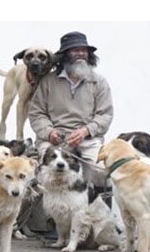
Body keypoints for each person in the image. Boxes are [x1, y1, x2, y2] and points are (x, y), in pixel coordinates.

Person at [28, 31, 114, 187]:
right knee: (48, 174)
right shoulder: (48, 82)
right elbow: (36, 113)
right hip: (54, 143)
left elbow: (105, 115)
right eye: (75, 50)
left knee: (103, 174)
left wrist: (85, 131)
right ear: (65, 54)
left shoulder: (99, 82)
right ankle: (51, 211)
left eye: (84, 50)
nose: (81, 54)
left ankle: (93, 209)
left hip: (88, 142)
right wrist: (49, 133)